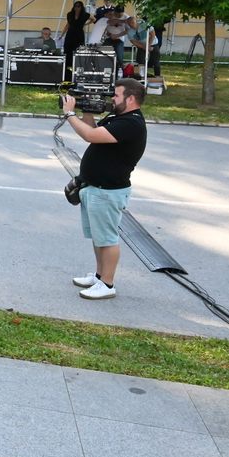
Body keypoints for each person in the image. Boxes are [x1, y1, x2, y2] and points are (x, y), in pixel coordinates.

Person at [61, 78, 148, 300]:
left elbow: (90, 136)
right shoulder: (120, 117)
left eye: (116, 95)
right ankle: (100, 276)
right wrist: (87, 110)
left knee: (107, 238)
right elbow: (94, 131)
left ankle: (107, 284)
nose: (112, 99)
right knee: (98, 237)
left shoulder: (132, 123)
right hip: (95, 187)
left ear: (130, 99)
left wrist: (70, 114)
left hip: (108, 191)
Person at [60, 0, 92, 78]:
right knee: (68, 52)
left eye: (79, 6)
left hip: (79, 35)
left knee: (77, 51)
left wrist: (85, 24)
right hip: (70, 34)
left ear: (81, 7)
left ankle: (77, 70)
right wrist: (62, 35)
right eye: (75, 6)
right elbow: (68, 24)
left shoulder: (85, 15)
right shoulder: (70, 14)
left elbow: (94, 19)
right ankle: (67, 71)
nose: (77, 8)